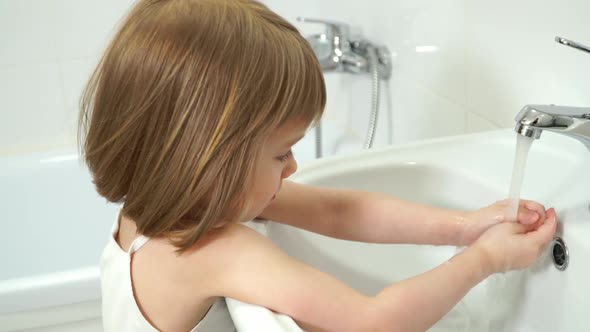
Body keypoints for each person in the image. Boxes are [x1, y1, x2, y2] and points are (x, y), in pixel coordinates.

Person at [78, 0, 557, 331]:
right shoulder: (211, 250)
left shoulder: (153, 213)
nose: (292, 167)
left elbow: (339, 212)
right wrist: (484, 260)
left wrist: (466, 226)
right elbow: (373, 321)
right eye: (280, 152)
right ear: (209, 157)